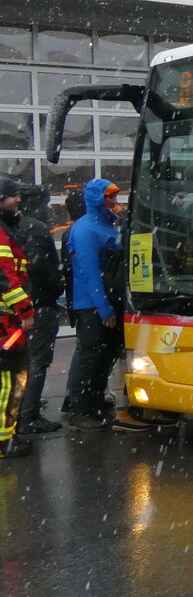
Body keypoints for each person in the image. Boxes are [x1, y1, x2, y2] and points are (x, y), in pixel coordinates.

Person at [61, 179, 149, 433]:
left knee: (107, 354)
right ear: (97, 200)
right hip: (92, 305)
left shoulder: (111, 225)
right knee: (89, 355)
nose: (114, 202)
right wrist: (103, 308)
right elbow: (88, 272)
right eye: (108, 197)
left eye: (115, 197)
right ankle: (79, 409)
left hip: (112, 301)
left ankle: (95, 400)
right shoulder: (85, 229)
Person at [13, 185, 64, 436]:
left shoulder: (13, 227)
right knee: (37, 361)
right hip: (38, 305)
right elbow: (39, 267)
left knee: (23, 361)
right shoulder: (34, 228)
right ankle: (28, 415)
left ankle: (21, 408)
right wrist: (57, 286)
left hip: (19, 306)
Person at [0, 178, 34, 459]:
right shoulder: (1, 234)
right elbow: (6, 279)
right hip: (6, 325)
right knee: (10, 382)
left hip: (7, 323)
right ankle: (4, 441)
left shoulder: (7, 230)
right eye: (12, 196)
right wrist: (26, 311)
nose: (18, 200)